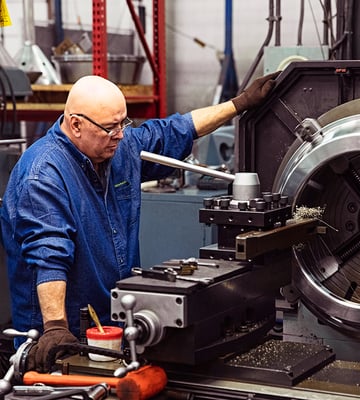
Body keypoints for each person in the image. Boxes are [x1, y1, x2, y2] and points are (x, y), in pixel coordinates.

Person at [0, 71, 279, 373]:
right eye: (110, 128)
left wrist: (239, 104)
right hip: (63, 344)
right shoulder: (42, 174)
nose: (120, 134)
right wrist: (55, 326)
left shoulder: (118, 147)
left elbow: (177, 130)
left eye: (124, 123)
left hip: (119, 329)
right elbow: (49, 255)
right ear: (76, 124)